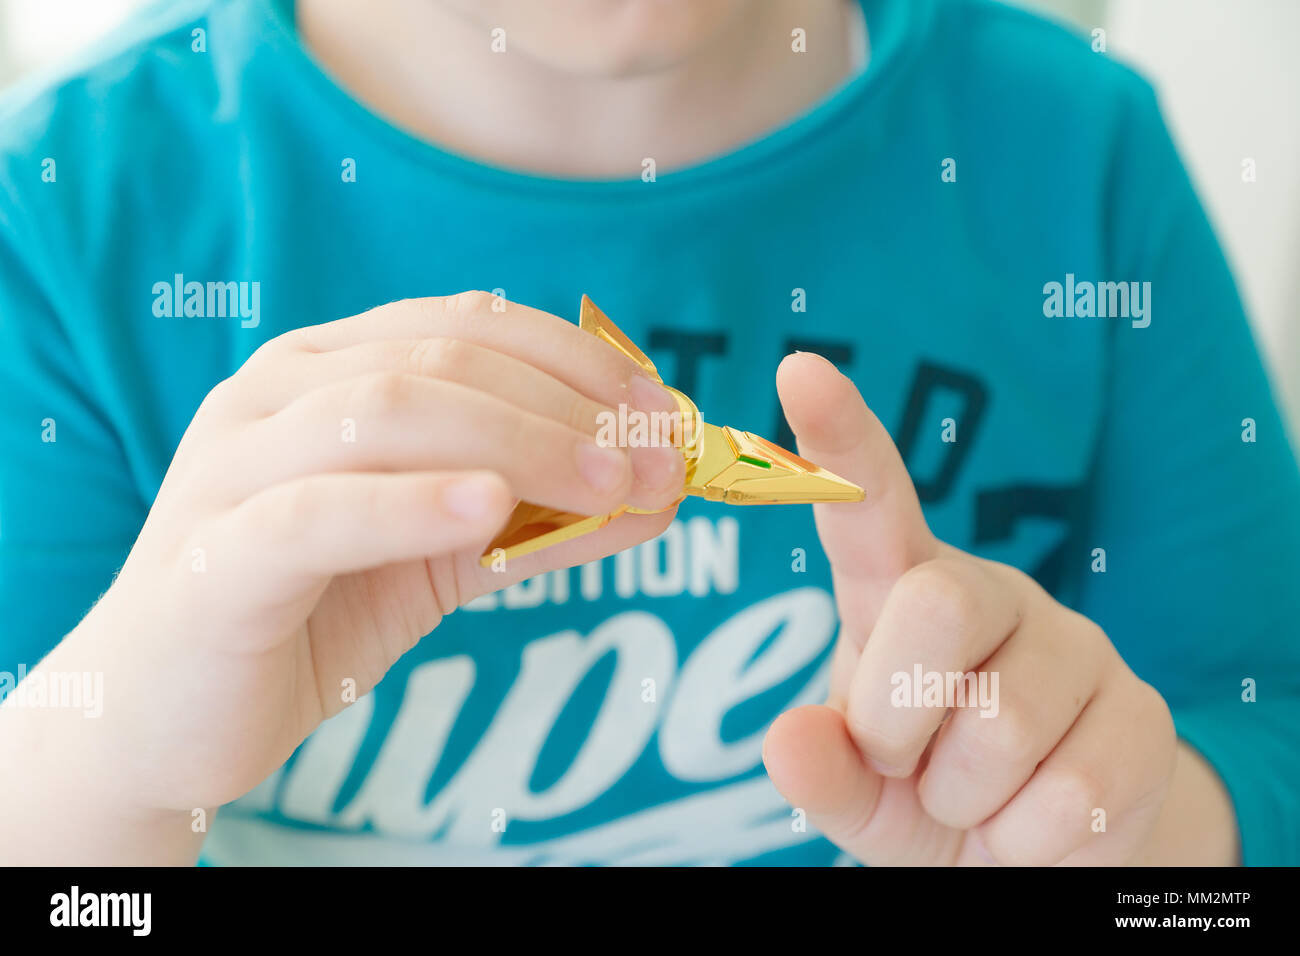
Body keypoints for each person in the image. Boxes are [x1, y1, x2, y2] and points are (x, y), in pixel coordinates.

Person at [0, 0, 1296, 866]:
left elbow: (1267, 736)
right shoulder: (71, 214)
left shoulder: (1075, 149)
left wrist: (1146, 830)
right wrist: (111, 761)